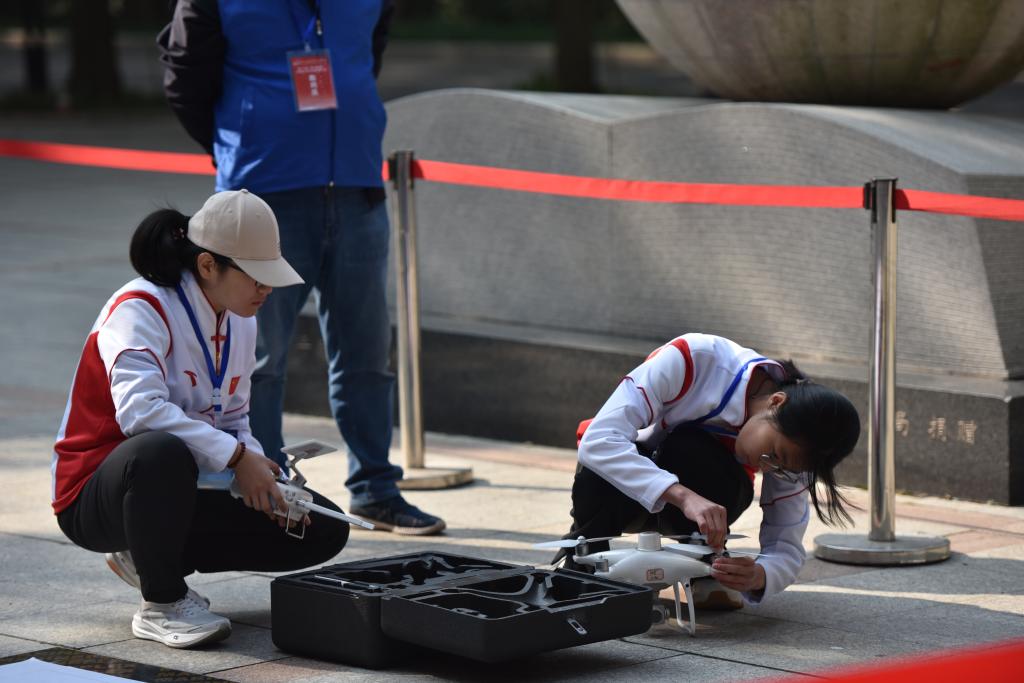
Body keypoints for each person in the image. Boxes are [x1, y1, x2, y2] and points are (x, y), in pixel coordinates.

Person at [158, 0, 445, 535]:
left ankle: (376, 489)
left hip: (357, 188)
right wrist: (238, 141)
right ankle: (263, 495)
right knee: (256, 360)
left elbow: (367, 54)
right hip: (263, 195)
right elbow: (184, 76)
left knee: (366, 354)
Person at [52, 190, 350, 649]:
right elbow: (140, 413)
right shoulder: (139, 308)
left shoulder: (240, 316)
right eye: (256, 277)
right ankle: (162, 601)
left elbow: (235, 415)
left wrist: (259, 475)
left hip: (179, 485)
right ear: (208, 265)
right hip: (95, 493)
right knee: (158, 450)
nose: (267, 290)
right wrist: (236, 458)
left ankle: (148, 556)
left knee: (321, 526)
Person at [560, 332, 861, 607]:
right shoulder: (696, 359)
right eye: (773, 454)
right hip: (620, 494)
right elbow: (599, 440)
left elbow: (786, 544)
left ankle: (706, 564)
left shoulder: (797, 455)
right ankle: (584, 559)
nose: (766, 467)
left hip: (697, 513)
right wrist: (682, 496)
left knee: (701, 454)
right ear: (776, 402)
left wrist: (760, 575)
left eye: (781, 467)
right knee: (667, 448)